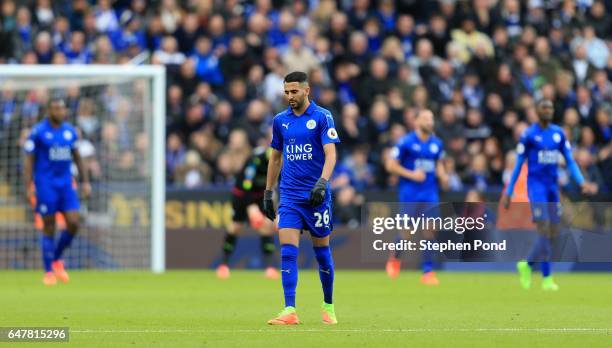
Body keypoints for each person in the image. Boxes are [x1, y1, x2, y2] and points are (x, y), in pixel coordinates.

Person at [263, 71, 340, 325]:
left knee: (322, 253)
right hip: (290, 196)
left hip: (317, 196)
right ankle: (289, 309)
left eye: (294, 91)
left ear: (307, 90)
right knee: (287, 250)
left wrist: (322, 182)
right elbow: (275, 158)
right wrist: (267, 191)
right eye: (286, 92)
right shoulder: (280, 121)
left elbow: (330, 154)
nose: (289, 97)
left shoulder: (322, 117)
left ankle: (328, 304)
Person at [503, 99, 597, 291]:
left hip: (552, 188)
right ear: (537, 111)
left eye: (550, 107)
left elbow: (570, 161)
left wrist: (580, 182)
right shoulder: (529, 135)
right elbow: (519, 164)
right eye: (544, 107)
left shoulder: (559, 134)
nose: (548, 110)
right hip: (536, 187)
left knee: (553, 234)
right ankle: (547, 278)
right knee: (544, 230)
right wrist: (509, 191)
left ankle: (527, 264)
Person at [23, 98, 91, 286]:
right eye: (56, 108)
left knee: (74, 223)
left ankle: (56, 259)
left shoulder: (70, 131)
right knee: (49, 226)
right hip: (45, 185)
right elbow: (29, 161)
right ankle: (48, 272)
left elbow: (78, 157)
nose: (60, 111)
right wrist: (29, 186)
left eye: (62, 108)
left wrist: (85, 182)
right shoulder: (38, 132)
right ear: (49, 111)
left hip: (66, 185)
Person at [385, 109, 449, 284]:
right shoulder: (405, 142)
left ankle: (427, 272)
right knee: (406, 232)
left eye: (432, 119)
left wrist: (443, 176)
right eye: (426, 118)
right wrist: (412, 175)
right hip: (410, 193)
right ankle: (395, 258)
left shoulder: (437, 143)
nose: (430, 122)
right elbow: (390, 166)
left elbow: (439, 164)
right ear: (417, 122)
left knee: (431, 230)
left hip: (430, 193)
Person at [215, 146, 279, 280]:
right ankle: (223, 265)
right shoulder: (256, 159)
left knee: (266, 226)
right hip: (242, 195)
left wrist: (278, 209)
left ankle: (269, 267)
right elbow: (246, 184)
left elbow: (278, 186)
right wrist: (250, 206)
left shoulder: (282, 162)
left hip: (261, 195)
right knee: (235, 227)